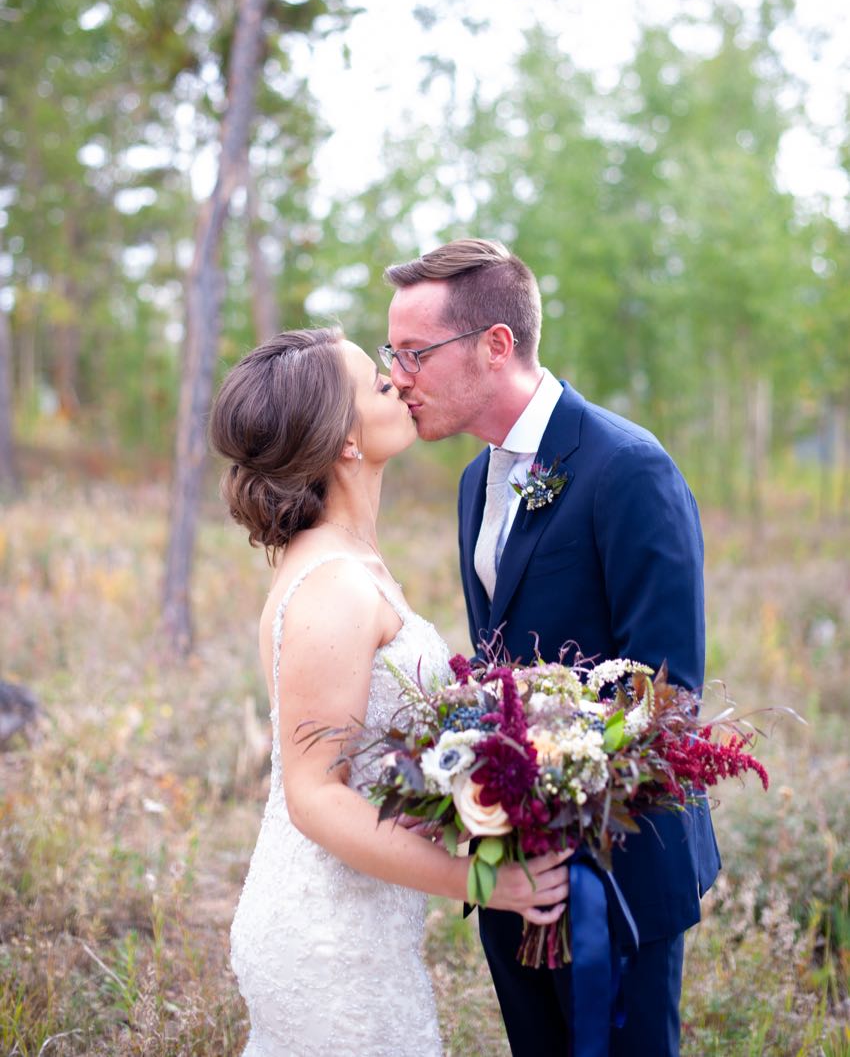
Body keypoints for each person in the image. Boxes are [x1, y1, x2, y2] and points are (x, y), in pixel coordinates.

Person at [382, 239, 721, 1057]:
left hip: (619, 868)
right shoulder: (475, 481)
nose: (397, 376)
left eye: (415, 353)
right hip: (507, 862)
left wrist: (562, 786)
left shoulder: (629, 467)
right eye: (392, 353)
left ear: (496, 345)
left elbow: (667, 689)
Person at [208, 327, 571, 1057]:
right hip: (330, 941)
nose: (400, 381)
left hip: (363, 926)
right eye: (379, 382)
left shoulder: (351, 557)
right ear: (345, 441)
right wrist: (485, 881)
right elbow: (315, 794)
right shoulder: (333, 585)